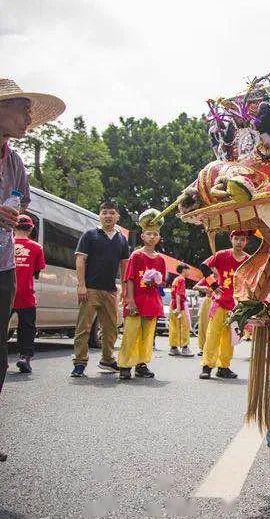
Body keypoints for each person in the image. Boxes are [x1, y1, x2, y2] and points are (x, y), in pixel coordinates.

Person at [0, 78, 64, 462]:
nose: (28, 118)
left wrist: (15, 213)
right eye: (21, 109)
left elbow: (20, 202)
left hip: (3, 263)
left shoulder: (15, 162)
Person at [71, 200, 130, 378]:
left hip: (110, 291)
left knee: (111, 328)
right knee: (84, 328)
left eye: (111, 213)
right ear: (100, 215)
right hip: (90, 289)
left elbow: (124, 266)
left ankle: (107, 359)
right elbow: (80, 260)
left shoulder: (121, 239)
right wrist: (81, 285)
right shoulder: (89, 235)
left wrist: (125, 290)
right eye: (104, 212)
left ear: (117, 216)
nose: (108, 216)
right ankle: (79, 363)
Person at [198, 231, 251, 379]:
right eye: (236, 239)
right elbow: (203, 266)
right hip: (220, 302)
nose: (239, 242)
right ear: (231, 239)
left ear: (246, 242)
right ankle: (207, 366)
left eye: (242, 239)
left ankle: (224, 367)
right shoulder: (221, 255)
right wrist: (213, 285)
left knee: (230, 338)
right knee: (213, 334)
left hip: (237, 306)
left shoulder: (249, 260)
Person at [117, 220, 166, 379]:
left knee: (147, 335)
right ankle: (125, 365)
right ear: (143, 236)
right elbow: (129, 278)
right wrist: (130, 300)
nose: (152, 237)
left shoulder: (160, 259)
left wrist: (156, 281)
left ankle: (141, 364)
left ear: (159, 238)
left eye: (155, 234)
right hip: (136, 301)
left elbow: (162, 282)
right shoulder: (136, 255)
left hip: (152, 301)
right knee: (131, 333)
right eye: (149, 234)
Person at [11, 214, 46, 373]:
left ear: (13, 227)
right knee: (27, 327)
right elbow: (37, 270)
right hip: (26, 294)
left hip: (6, 293)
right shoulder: (37, 247)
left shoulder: (5, 243)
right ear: (31, 228)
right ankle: (24, 357)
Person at [168, 264, 194, 357]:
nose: (189, 272)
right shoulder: (182, 279)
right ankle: (185, 348)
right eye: (188, 270)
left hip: (173, 305)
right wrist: (179, 308)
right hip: (179, 306)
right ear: (184, 270)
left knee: (174, 327)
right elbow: (179, 294)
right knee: (184, 327)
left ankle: (173, 348)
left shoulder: (176, 279)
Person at [194, 276, 212, 357]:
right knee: (203, 325)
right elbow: (195, 287)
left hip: (219, 302)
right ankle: (202, 348)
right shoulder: (209, 278)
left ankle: (213, 348)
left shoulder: (223, 275)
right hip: (208, 302)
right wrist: (204, 287)